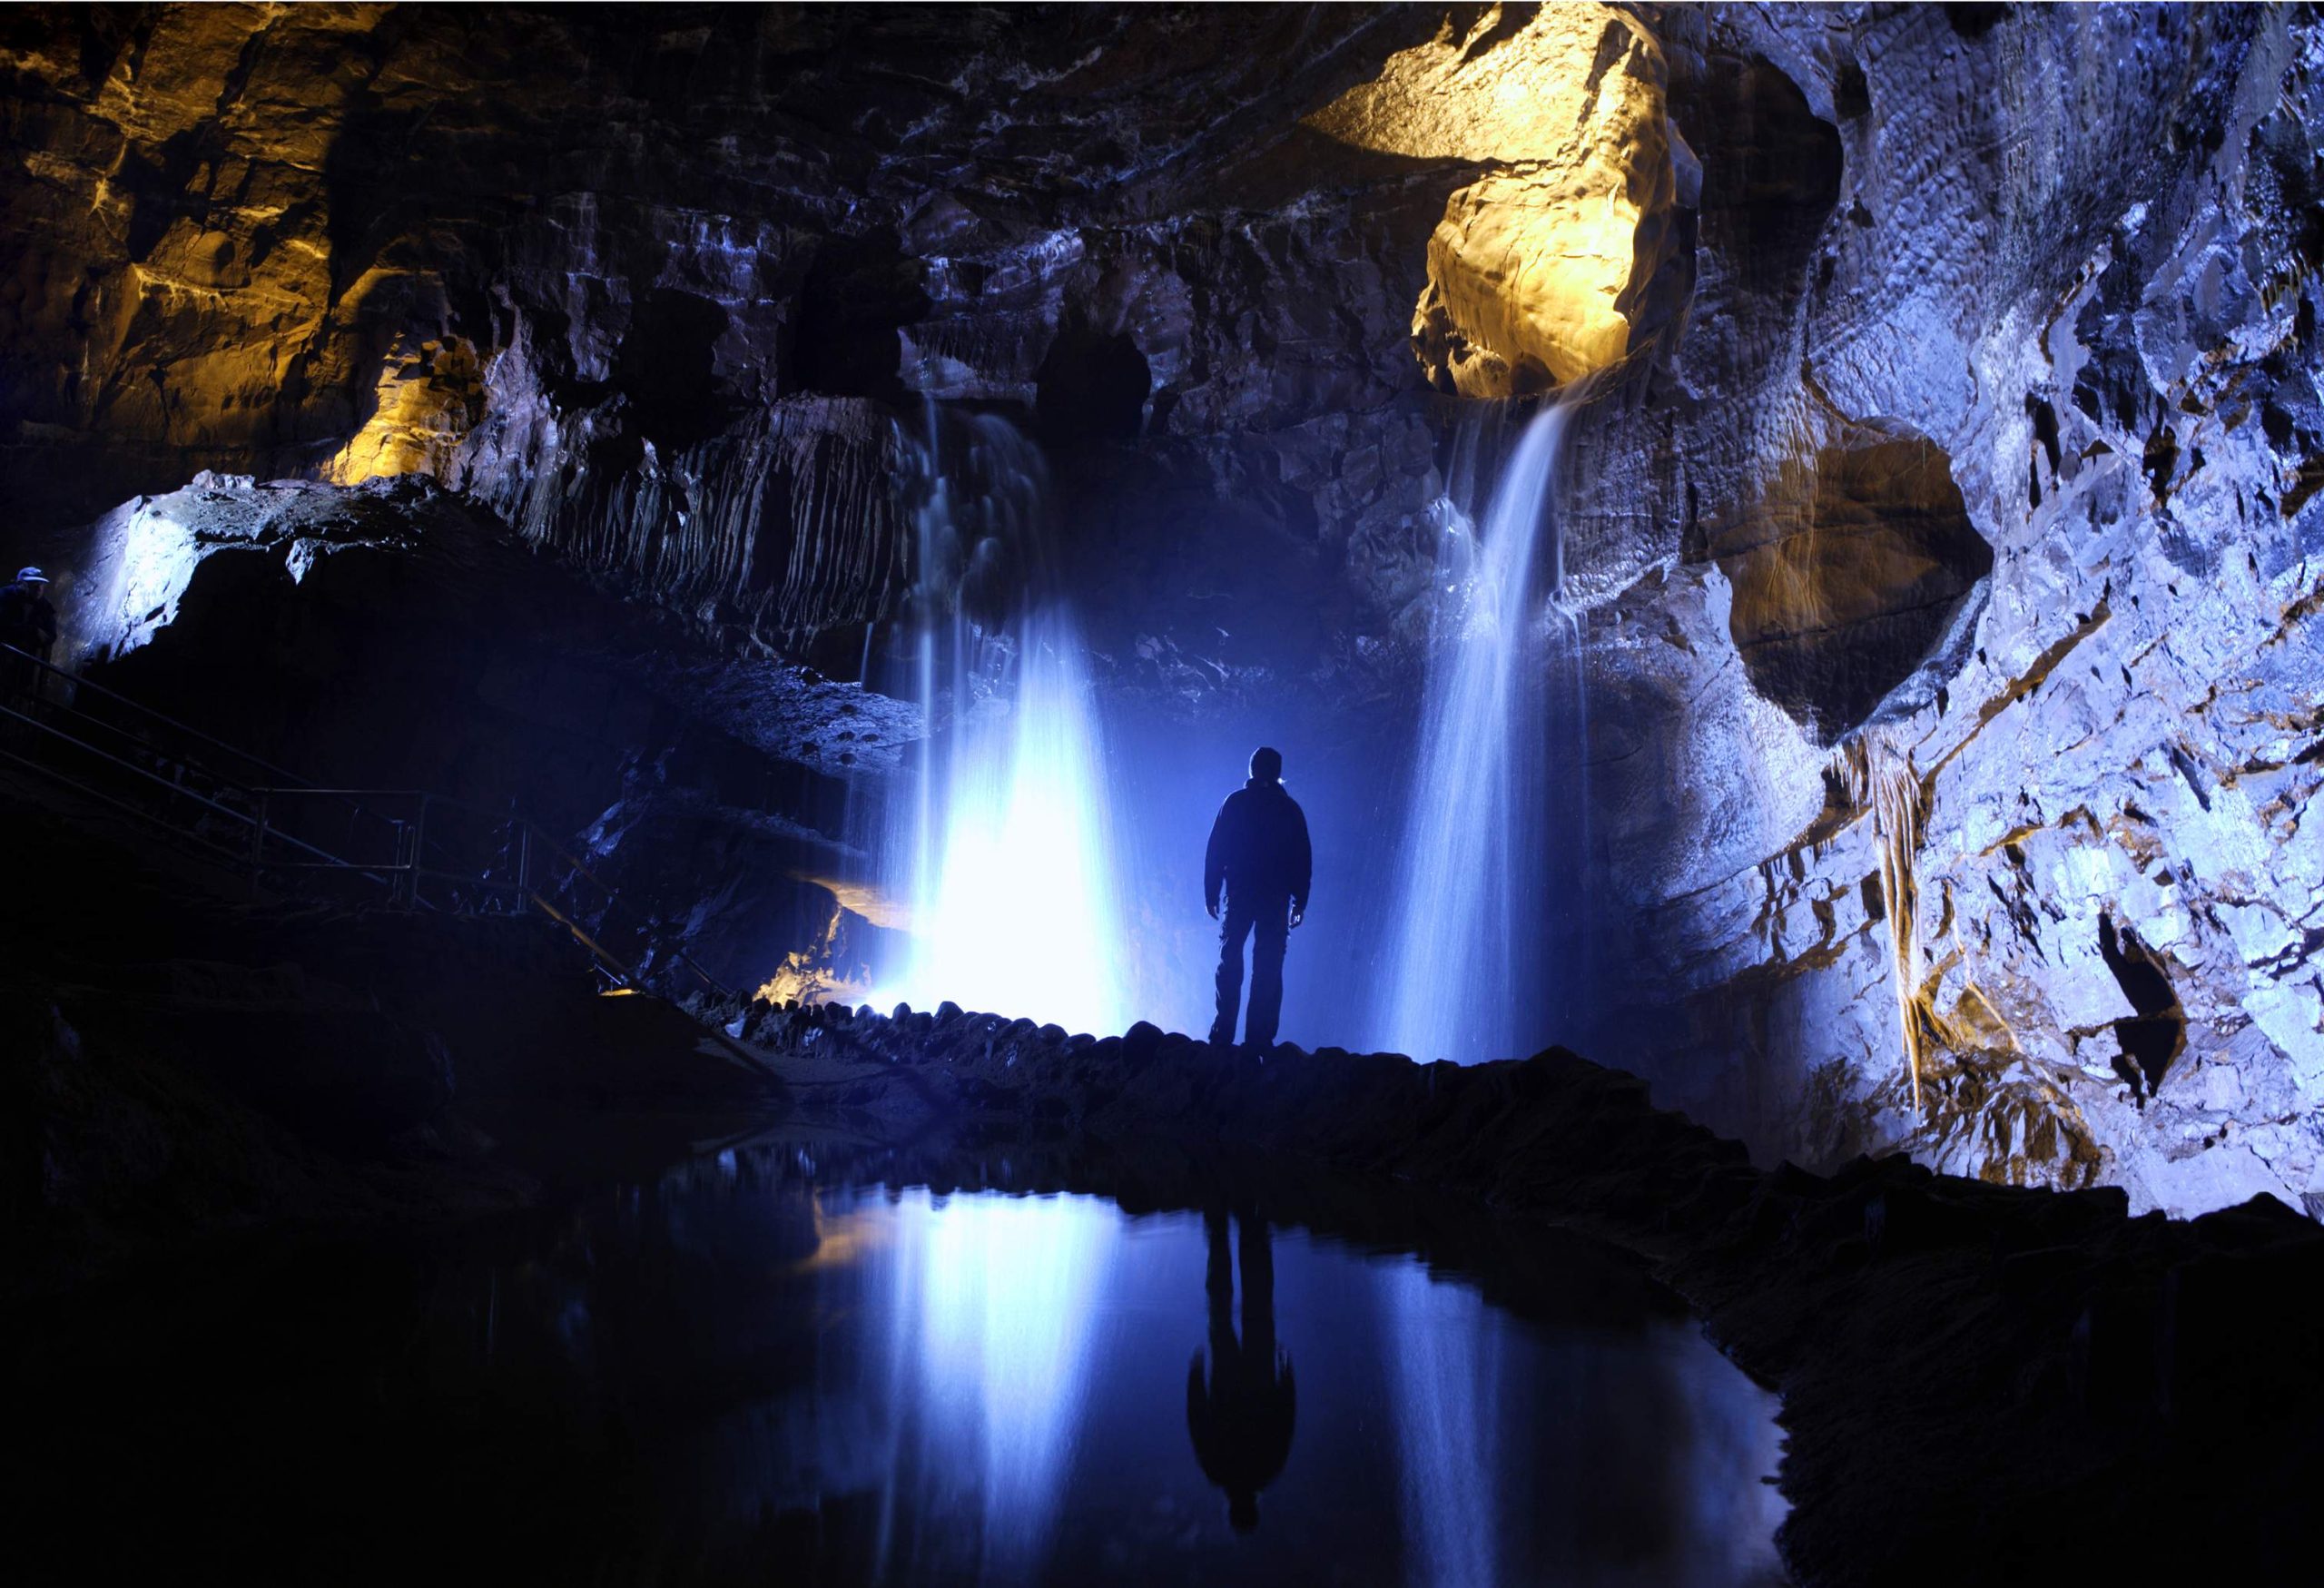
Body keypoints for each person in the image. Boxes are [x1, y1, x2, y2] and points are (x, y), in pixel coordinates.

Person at [1186, 1200, 1295, 1533]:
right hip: (1232, 1380)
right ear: (1232, 1508)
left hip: (1250, 1379)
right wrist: (1195, 1377)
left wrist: (1286, 1375)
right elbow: (1198, 1420)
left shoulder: (1265, 1469)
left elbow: (1285, 1418)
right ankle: (1228, 1224)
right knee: (1225, 1308)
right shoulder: (1218, 1470)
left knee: (1256, 1304)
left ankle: (1249, 1226)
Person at [1203, 745, 1312, 1050]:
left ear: (1251, 771)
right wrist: (1300, 900)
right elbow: (1302, 858)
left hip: (1239, 894)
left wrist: (1211, 890)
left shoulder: (1235, 803)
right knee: (1268, 964)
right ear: (1278, 774)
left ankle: (1223, 1032)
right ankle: (1259, 1038)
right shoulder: (1290, 810)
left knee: (1231, 958)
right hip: (1275, 898)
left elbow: (1216, 850)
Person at [0, 566, 58, 702]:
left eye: (41, 585)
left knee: (14, 697)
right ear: (21, 584)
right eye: (34, 585)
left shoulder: (45, 607)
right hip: (4, 656)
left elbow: (51, 635)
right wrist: (31, 631)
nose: (39, 588)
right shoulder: (4, 596)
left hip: (23, 664)